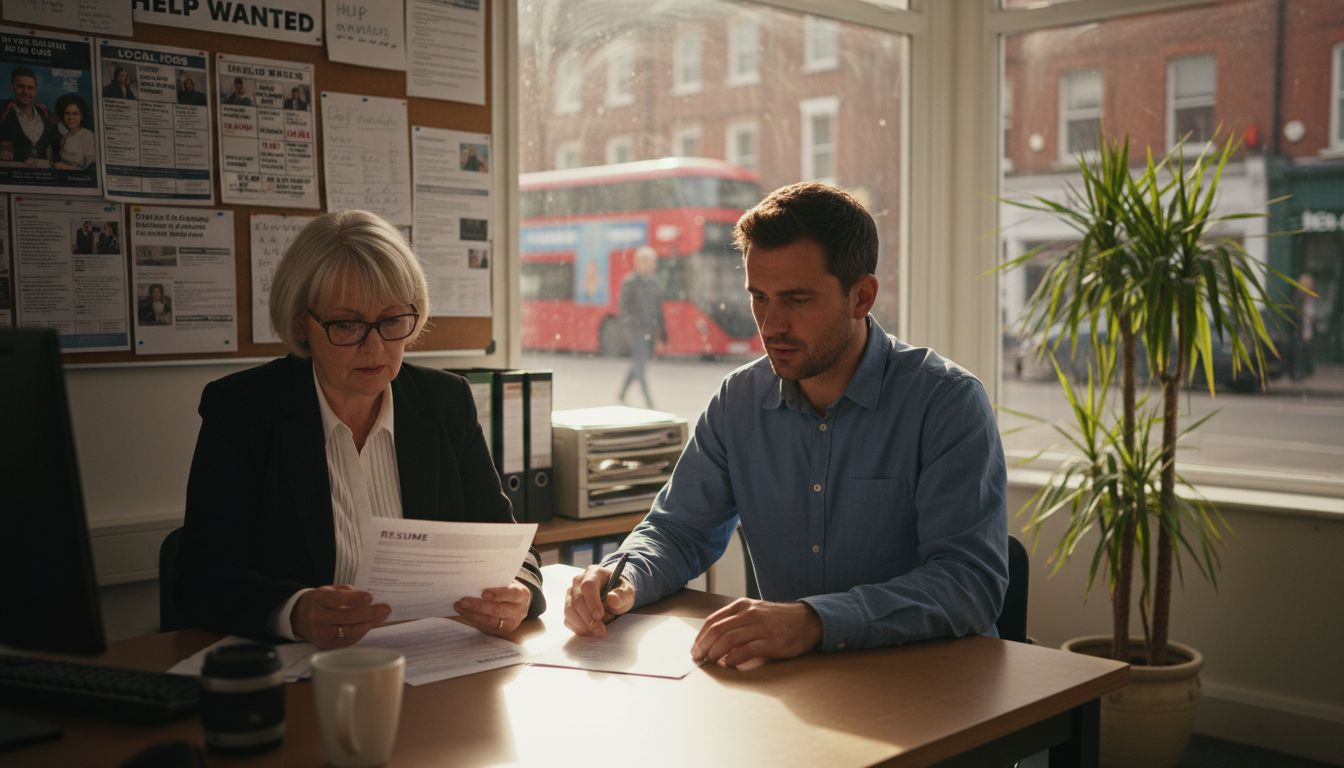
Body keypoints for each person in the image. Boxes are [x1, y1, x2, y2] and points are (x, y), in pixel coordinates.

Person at [565, 183, 1008, 668]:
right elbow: (678, 531)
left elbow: (970, 583)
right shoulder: (739, 401)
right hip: (795, 683)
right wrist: (624, 577)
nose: (771, 324)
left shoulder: (946, 402)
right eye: (759, 297)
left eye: (796, 300)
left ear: (861, 297)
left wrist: (815, 621)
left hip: (930, 682)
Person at [177, 210, 544, 648]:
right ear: (301, 324)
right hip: (305, 667)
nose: (375, 347)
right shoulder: (244, 410)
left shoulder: (445, 403)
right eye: (347, 325)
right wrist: (294, 611)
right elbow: (202, 578)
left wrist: (519, 591)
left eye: (392, 321)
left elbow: (509, 546)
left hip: (430, 658)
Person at [615, 245, 665, 408]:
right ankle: (649, 401)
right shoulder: (629, 282)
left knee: (638, 363)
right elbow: (624, 309)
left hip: (650, 330)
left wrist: (663, 333)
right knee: (641, 365)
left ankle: (622, 392)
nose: (650, 265)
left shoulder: (654, 282)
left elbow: (658, 309)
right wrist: (630, 328)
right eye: (646, 261)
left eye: (652, 261)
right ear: (638, 263)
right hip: (635, 331)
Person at [0, 66, 59, 165]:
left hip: (41, 172)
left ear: (35, 90)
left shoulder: (46, 114)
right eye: (20, 86)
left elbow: (57, 146)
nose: (25, 92)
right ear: (12, 87)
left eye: (30, 88)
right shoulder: (2, 109)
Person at [53, 94, 96, 171]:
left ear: (81, 116)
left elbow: (89, 170)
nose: (71, 117)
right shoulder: (62, 136)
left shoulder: (88, 136)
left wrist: (62, 167)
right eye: (67, 113)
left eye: (75, 113)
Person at [1291, 272, 1318, 380]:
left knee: (1309, 348)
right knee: (1299, 348)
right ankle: (1298, 372)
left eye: (1310, 285)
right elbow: (1295, 314)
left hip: (1310, 329)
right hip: (1299, 330)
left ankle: (1308, 369)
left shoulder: (1313, 298)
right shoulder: (1297, 299)